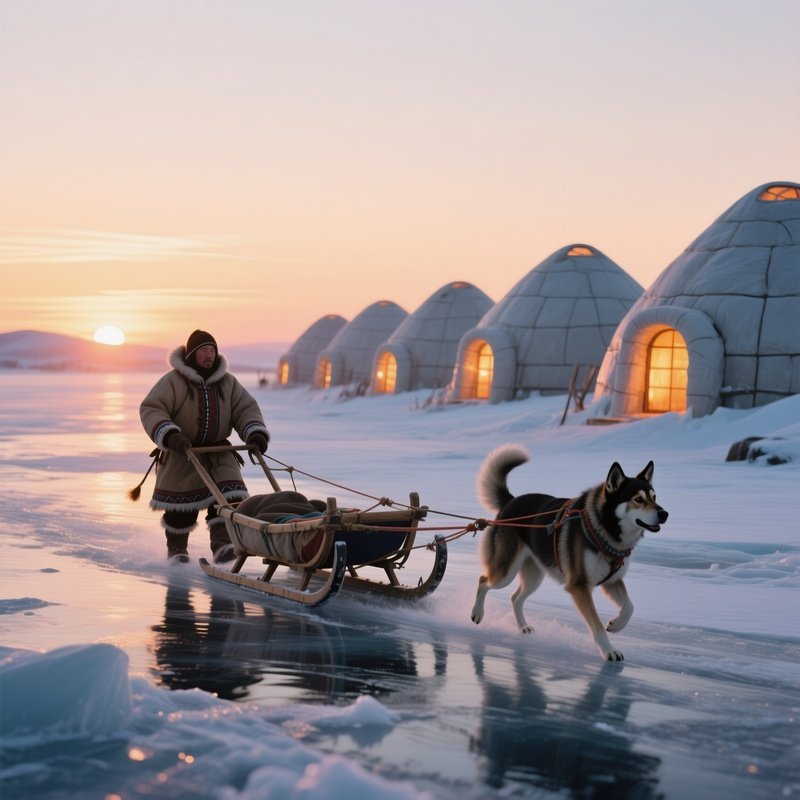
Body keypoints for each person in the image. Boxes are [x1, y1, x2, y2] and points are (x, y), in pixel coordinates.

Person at [138, 330, 270, 564]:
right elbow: (152, 408)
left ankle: (223, 548)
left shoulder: (227, 382)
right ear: (191, 355)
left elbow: (245, 408)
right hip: (183, 453)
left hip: (220, 454)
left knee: (229, 501)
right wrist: (171, 435)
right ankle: (177, 552)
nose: (209, 356)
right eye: (203, 352)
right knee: (181, 511)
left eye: (212, 351)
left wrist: (255, 433)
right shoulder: (173, 381)